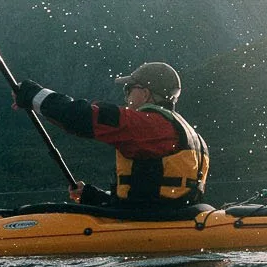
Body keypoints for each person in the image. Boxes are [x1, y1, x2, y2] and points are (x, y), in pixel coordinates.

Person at [12, 61, 210, 216]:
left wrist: (32, 94)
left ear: (145, 93)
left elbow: (79, 116)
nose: (126, 97)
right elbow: (153, 195)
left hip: (147, 219)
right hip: (168, 215)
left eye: (129, 89)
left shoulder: (146, 125)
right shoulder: (186, 131)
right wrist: (94, 196)